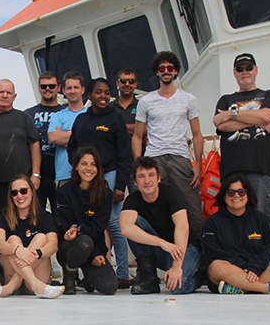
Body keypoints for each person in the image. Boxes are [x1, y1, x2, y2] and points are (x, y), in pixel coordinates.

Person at [133, 51, 204, 241]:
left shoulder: (189, 99)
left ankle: (201, 258)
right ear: (157, 72)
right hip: (154, 159)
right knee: (156, 208)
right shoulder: (146, 101)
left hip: (180, 158)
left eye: (170, 68)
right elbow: (138, 135)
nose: (166, 71)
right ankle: (160, 255)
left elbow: (197, 134)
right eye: (162, 68)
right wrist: (139, 164)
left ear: (175, 72)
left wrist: (198, 165)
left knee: (192, 208)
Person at [68, 77, 133, 288]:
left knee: (113, 223)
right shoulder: (81, 120)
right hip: (85, 177)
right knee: (84, 221)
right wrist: (79, 167)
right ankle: (85, 273)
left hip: (110, 175)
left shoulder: (115, 119)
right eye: (98, 92)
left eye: (106, 92)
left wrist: (120, 186)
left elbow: (125, 154)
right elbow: (72, 147)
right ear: (89, 95)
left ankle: (123, 273)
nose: (103, 96)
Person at [213, 53, 270, 252]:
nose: (245, 72)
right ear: (234, 73)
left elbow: (268, 114)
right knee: (233, 221)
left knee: (266, 220)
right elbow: (221, 125)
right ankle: (240, 267)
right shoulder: (226, 99)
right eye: (240, 69)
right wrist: (258, 119)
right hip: (232, 170)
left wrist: (232, 114)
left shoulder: (269, 95)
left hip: (262, 168)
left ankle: (269, 268)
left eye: (248, 68)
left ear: (256, 70)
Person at [203, 174, 270, 295]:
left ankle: (238, 287)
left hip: (255, 270)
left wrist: (255, 267)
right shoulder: (212, 222)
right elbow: (213, 252)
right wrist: (242, 269)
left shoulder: (261, 219)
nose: (236, 195)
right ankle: (266, 288)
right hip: (229, 270)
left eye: (241, 192)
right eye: (231, 192)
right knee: (216, 267)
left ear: (248, 196)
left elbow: (268, 249)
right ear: (224, 197)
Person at [120, 156, 200, 294]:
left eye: (151, 175)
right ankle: (149, 280)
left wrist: (177, 265)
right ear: (135, 181)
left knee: (177, 287)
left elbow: (182, 228)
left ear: (158, 178)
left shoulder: (171, 192)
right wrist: (162, 243)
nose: (147, 181)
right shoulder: (133, 200)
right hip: (164, 249)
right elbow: (125, 228)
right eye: (141, 176)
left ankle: (201, 276)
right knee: (136, 222)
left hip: (186, 248)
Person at [0, 175, 65, 298]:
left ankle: (10, 288)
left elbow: (53, 245)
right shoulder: (2, 215)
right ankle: (36, 285)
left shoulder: (44, 216)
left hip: (36, 274)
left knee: (41, 238)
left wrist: (35, 254)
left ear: (32, 192)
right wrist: (18, 250)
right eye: (14, 192)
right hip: (10, 271)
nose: (19, 196)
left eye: (23, 191)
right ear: (11, 196)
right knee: (13, 240)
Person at [55, 147, 118, 295]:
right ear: (76, 166)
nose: (88, 168)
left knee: (109, 287)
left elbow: (98, 228)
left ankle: (88, 276)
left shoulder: (105, 194)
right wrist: (77, 232)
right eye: (84, 163)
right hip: (69, 247)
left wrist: (96, 253)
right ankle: (70, 275)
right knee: (84, 242)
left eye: (93, 164)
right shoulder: (64, 192)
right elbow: (66, 226)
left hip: (93, 247)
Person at [0, 79, 41, 210]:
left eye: (8, 92)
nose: (4, 95)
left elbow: (34, 145)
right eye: (1, 92)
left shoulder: (24, 118)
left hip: (21, 182)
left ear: (14, 96)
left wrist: (35, 174)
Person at [25, 71, 63, 221]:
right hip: (35, 176)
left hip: (60, 176)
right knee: (34, 218)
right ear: (39, 88)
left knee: (61, 219)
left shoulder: (65, 113)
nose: (48, 89)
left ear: (58, 88)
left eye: (52, 86)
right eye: (44, 86)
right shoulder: (27, 114)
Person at [48, 72, 87, 184]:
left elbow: (95, 139)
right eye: (69, 88)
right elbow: (53, 138)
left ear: (82, 89)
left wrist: (65, 136)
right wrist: (83, 136)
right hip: (64, 175)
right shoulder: (57, 116)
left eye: (76, 87)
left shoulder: (91, 114)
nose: (73, 91)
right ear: (64, 91)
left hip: (89, 173)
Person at [109, 68, 140, 140]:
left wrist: (118, 128)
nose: (127, 84)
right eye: (123, 81)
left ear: (135, 84)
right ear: (117, 83)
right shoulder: (109, 107)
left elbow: (146, 129)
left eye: (131, 81)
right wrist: (134, 129)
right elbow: (106, 130)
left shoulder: (142, 105)